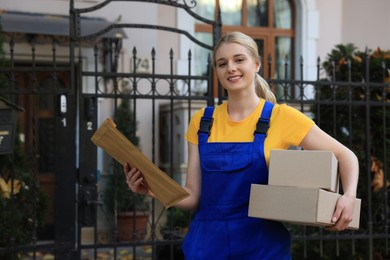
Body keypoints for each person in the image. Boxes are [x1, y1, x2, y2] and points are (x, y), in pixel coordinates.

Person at [124, 31, 359, 259]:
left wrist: (348, 197)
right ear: (216, 71)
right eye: (222, 63)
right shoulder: (202, 121)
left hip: (263, 248)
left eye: (239, 60)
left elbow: (345, 155)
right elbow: (194, 195)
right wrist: (152, 190)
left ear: (256, 64)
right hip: (207, 246)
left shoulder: (281, 117)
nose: (231, 68)